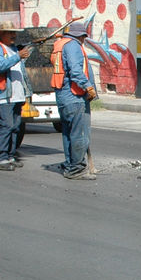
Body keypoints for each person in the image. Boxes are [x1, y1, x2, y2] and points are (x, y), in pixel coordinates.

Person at [50, 21, 97, 180]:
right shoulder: (73, 46)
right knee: (79, 134)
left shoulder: (60, 44)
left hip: (63, 96)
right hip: (74, 96)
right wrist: (88, 87)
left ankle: (71, 164)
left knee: (68, 133)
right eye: (84, 37)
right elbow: (76, 71)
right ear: (81, 36)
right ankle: (76, 169)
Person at [0, 21, 33, 171]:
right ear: (2, 34)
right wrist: (18, 56)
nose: (13, 35)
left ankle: (10, 156)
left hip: (17, 95)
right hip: (4, 95)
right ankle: (2, 158)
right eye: (10, 32)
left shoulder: (13, 49)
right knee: (6, 126)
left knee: (15, 127)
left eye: (14, 33)